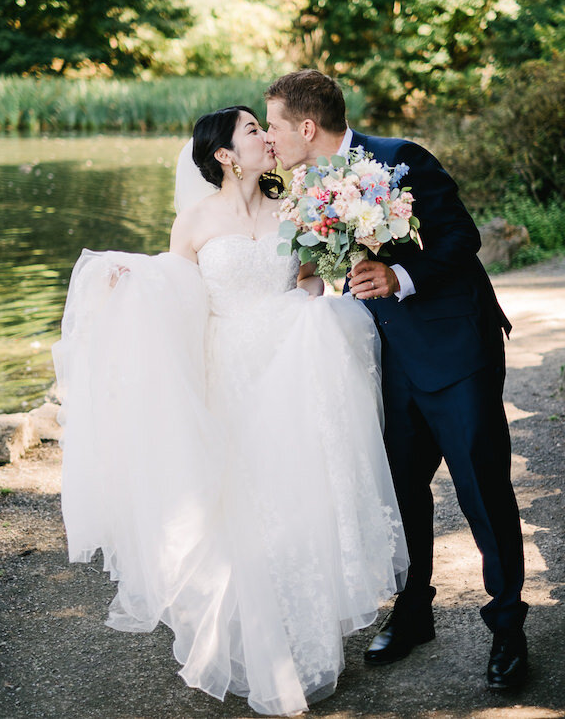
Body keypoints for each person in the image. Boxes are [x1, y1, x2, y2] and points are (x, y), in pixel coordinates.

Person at [54, 105, 408, 716]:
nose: (266, 138)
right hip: (232, 375)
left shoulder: (296, 208)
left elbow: (304, 282)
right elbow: (177, 293)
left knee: (297, 502)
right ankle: (254, 650)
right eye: (252, 130)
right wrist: (128, 283)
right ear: (223, 154)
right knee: (242, 510)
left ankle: (305, 644)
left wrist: (318, 307)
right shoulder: (192, 223)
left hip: (291, 370)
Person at [263, 68, 527, 691]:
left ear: (307, 126)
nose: (269, 137)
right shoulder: (303, 186)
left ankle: (510, 627)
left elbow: (463, 237)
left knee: (482, 489)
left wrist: (400, 277)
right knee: (400, 490)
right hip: (381, 362)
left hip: (453, 349)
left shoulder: (398, 159)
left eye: (273, 124)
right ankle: (413, 612)